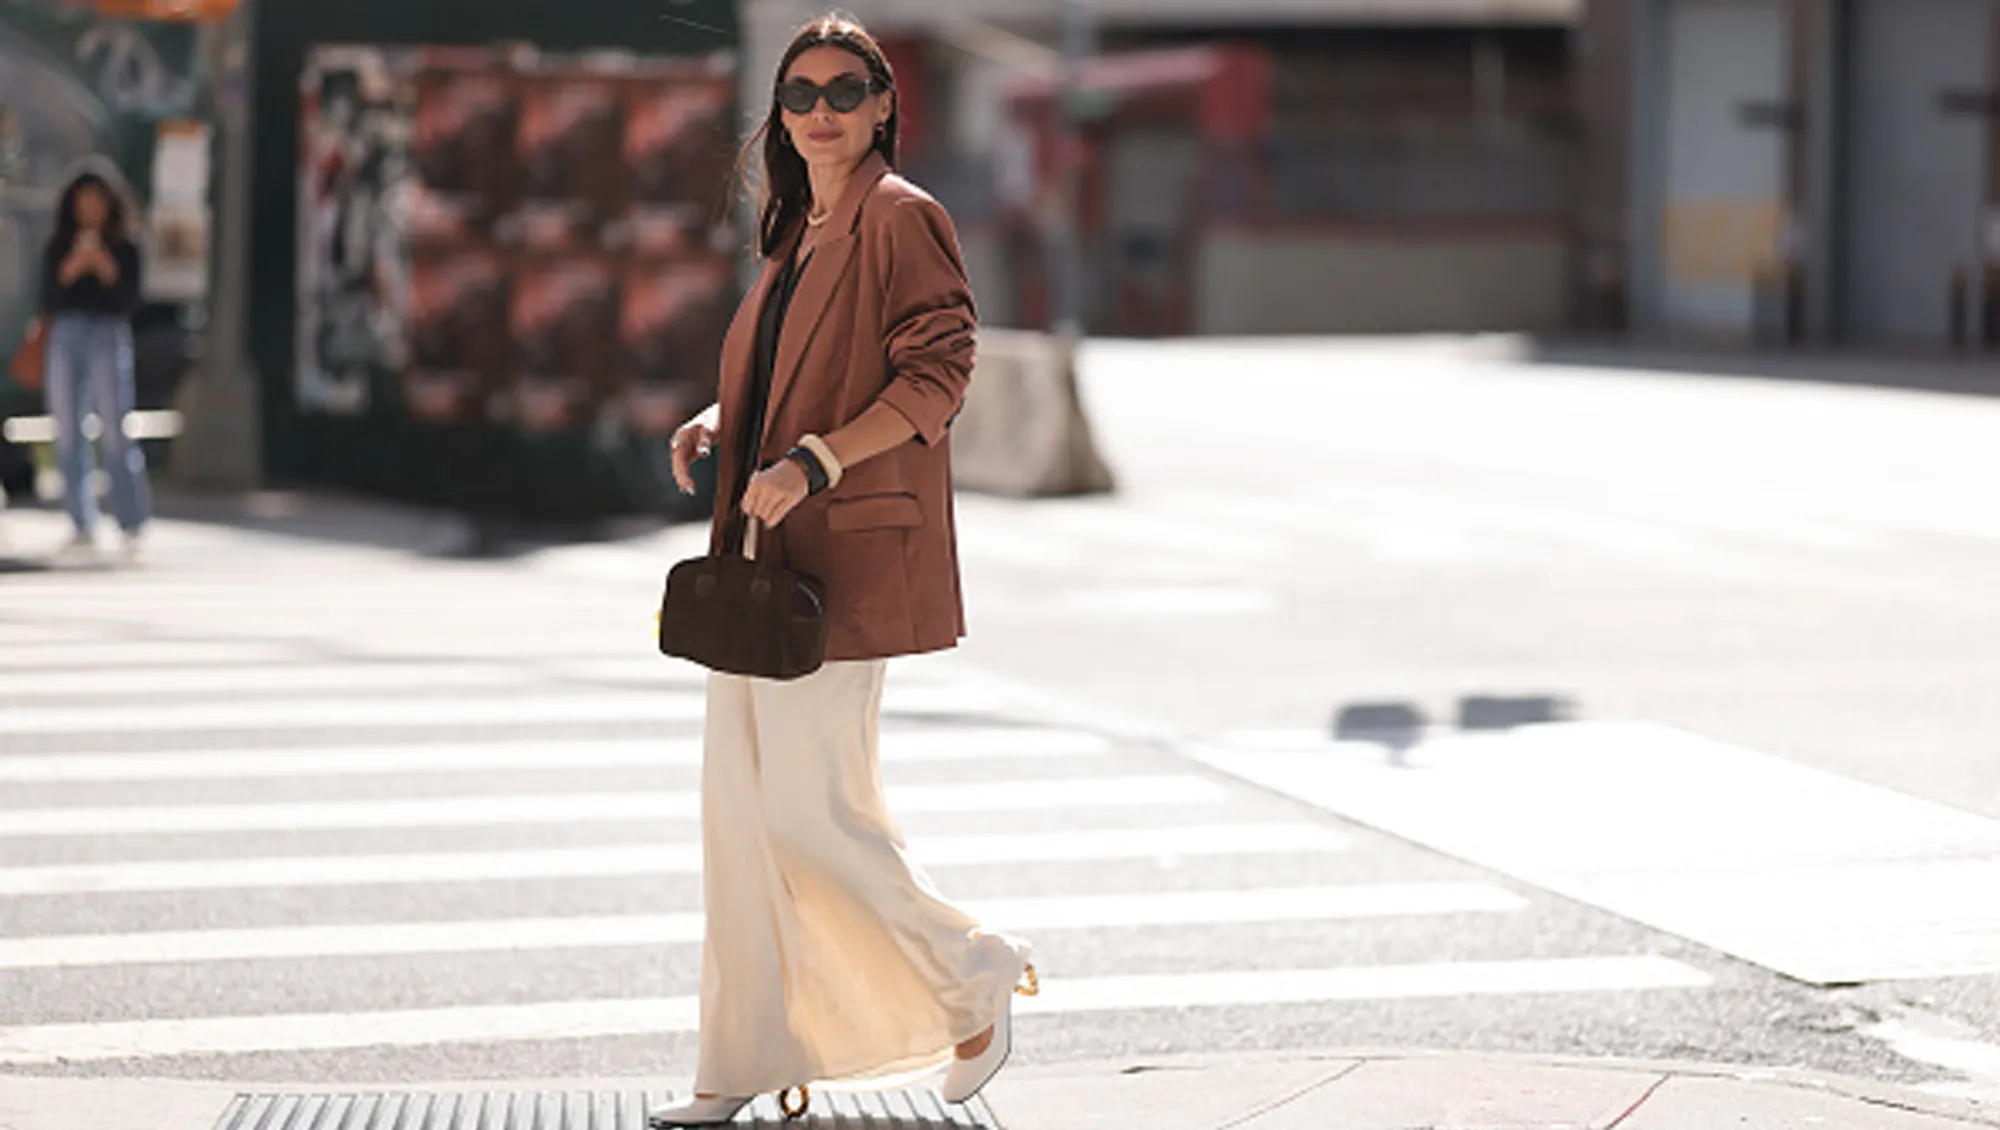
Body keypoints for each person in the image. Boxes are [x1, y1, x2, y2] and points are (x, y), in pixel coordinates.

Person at [647, 14, 1033, 1128]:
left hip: (839, 564)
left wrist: (813, 460)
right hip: (762, 558)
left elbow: (938, 370)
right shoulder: (801, 228)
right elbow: (807, 367)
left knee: (811, 814)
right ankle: (740, 1057)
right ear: (779, 112)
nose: (818, 111)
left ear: (881, 107)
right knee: (741, 815)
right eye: (799, 92)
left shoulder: (900, 216)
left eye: (842, 91)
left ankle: (971, 973)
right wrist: (733, 418)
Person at [38, 167, 149, 562]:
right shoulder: (59, 244)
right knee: (68, 429)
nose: (90, 207)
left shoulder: (124, 246)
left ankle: (131, 521)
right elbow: (49, 296)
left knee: (116, 426)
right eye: (83, 200)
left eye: (97, 200)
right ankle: (81, 522)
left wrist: (103, 266)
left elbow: (130, 300)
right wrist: (73, 265)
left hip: (107, 332)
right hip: (66, 334)